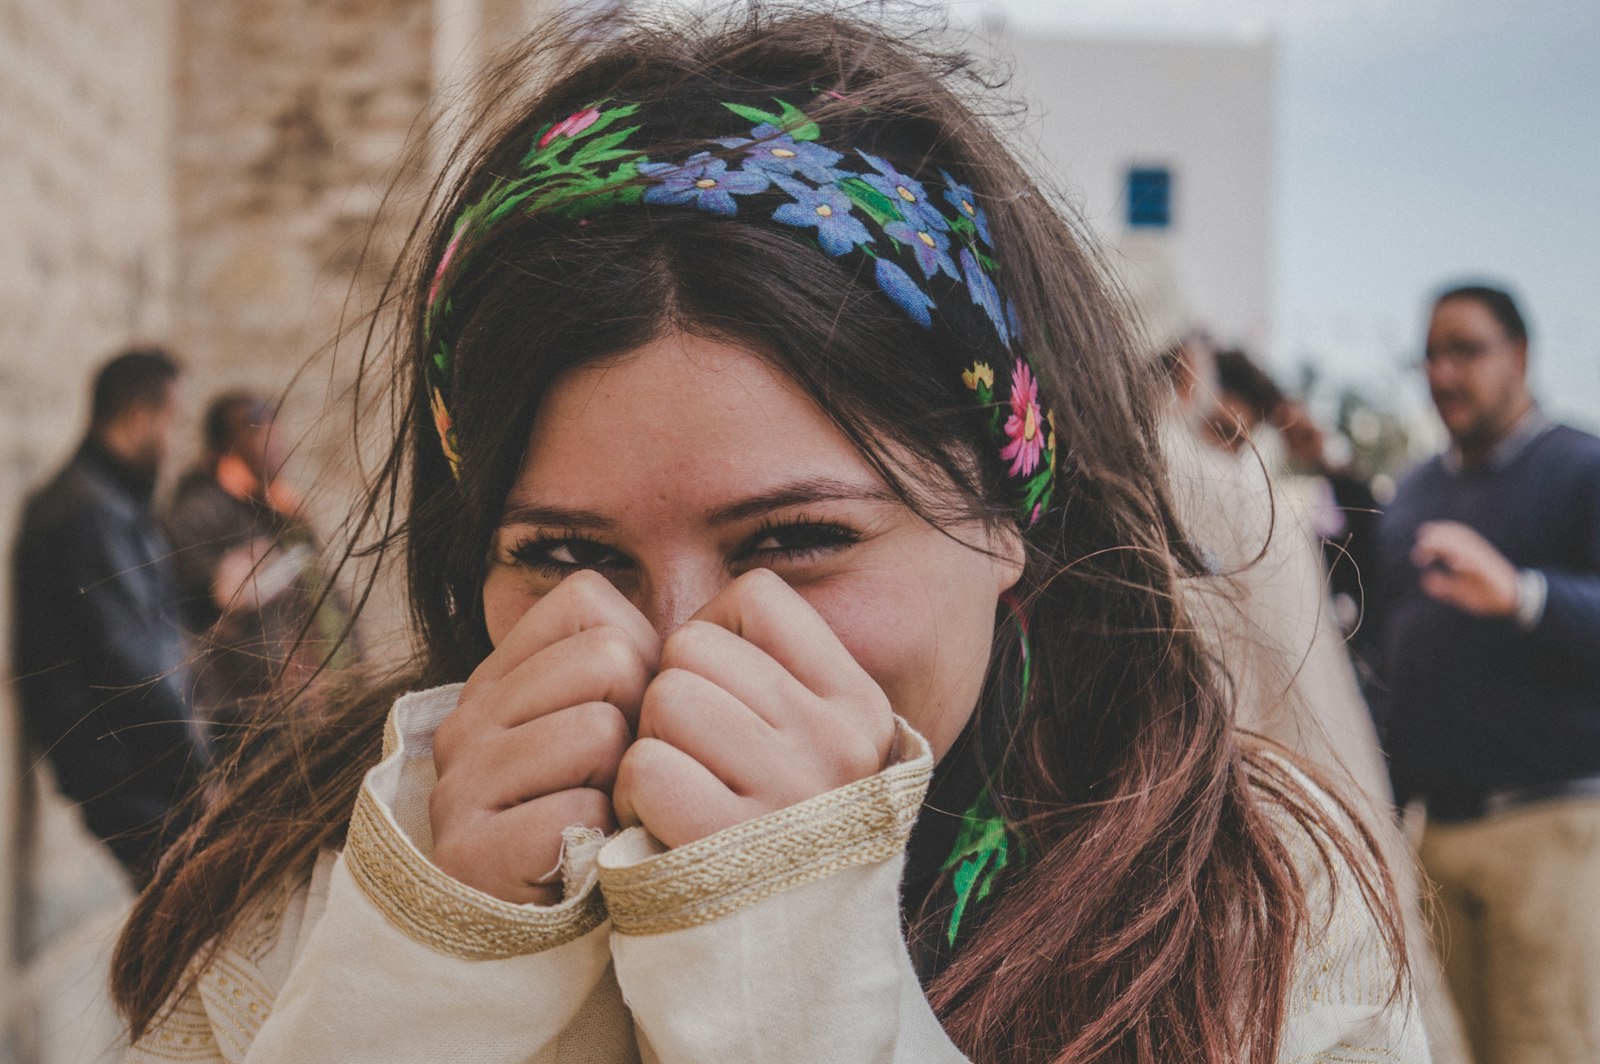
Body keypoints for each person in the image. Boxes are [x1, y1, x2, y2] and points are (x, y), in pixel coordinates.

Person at [114, 9, 1425, 1062]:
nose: (685, 654)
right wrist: (427, 982)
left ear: (1006, 517)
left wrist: (791, 980)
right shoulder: (311, 890)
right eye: (570, 557)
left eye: (797, 539)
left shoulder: (1246, 927)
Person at [1378, 284, 1600, 1064]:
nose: (1443, 373)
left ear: (1521, 356)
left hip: (1549, 834)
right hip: (1436, 835)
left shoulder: (1582, 467)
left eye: (1464, 350)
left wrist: (1523, 595)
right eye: (1431, 355)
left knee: (1546, 1049)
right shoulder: (1413, 490)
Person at [11, 347, 209, 883]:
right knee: (195, 921)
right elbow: (133, 663)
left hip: (137, 766)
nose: (176, 442)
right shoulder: (89, 511)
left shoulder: (111, 501)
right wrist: (204, 773)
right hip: (127, 774)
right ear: (138, 417)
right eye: (173, 422)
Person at [165, 392, 356, 755]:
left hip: (310, 705)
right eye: (260, 432)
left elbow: (322, 593)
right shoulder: (199, 512)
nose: (277, 444)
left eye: (276, 431)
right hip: (248, 717)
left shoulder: (280, 505)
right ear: (228, 443)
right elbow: (202, 608)